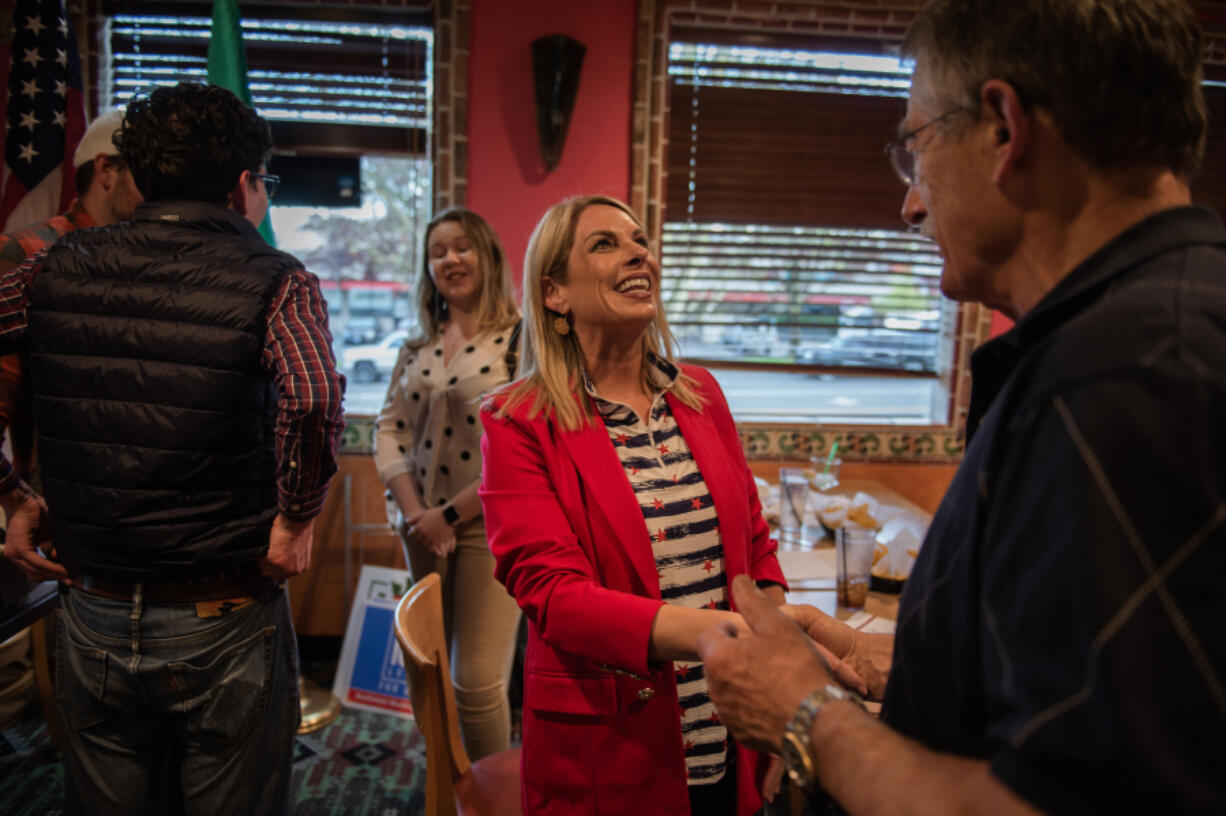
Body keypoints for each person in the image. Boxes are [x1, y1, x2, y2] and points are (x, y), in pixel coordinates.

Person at [697, 1, 1226, 814]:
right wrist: (895, 665)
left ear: (1004, 131)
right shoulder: (1135, 335)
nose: (909, 206)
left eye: (916, 149)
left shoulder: (1123, 380)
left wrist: (807, 714)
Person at [0, 82, 345, 815]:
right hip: (220, 614)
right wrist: (294, 519)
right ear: (244, 185)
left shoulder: (54, 269)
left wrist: (8, 493)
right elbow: (313, 396)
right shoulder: (278, 280)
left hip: (88, 608)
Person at [479, 195, 832, 816]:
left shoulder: (702, 393)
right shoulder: (517, 420)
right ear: (554, 292)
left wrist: (782, 691)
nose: (638, 252)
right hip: (609, 747)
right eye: (605, 244)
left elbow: (754, 547)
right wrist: (730, 636)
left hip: (731, 728)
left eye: (639, 239)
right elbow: (552, 593)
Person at [374, 207, 522, 759]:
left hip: (488, 527)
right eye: (438, 252)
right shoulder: (415, 346)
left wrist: (448, 517)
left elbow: (519, 451)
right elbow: (387, 430)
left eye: (462, 247)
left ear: (487, 255)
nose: (450, 259)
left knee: (476, 681)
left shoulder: (521, 341)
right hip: (420, 527)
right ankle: (444, 778)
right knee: (426, 667)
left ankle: (489, 795)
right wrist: (418, 516)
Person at [0, 109, 142, 484]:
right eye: (149, 173)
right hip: (48, 501)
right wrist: (12, 495)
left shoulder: (151, 259)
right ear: (106, 171)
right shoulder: (25, 253)